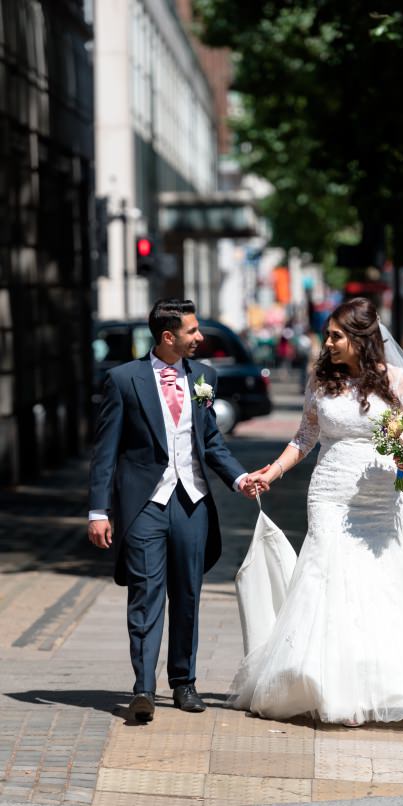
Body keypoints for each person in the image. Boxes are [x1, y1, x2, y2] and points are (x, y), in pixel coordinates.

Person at [228, 297, 403, 725]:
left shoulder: (396, 382)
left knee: (386, 578)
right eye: (328, 335)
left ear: (360, 339)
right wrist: (272, 472)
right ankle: (318, 679)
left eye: (336, 335)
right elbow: (304, 436)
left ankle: (389, 680)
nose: (328, 343)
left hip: (379, 496)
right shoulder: (321, 380)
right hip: (330, 492)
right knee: (324, 572)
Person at [88, 299, 260, 722]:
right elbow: (105, 451)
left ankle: (184, 683)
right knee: (145, 595)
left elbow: (211, 443)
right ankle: (143, 688)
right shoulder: (124, 380)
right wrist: (98, 511)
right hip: (145, 503)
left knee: (187, 594)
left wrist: (239, 479)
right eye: (192, 331)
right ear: (169, 337)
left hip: (193, 501)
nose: (199, 338)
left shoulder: (204, 377)